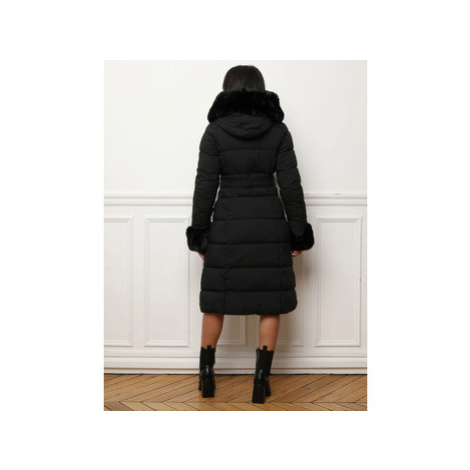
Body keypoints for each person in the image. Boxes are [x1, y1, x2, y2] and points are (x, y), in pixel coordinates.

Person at [186, 65, 315, 404]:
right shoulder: (278, 130)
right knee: (269, 303)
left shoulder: (214, 131)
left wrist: (200, 235)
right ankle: (261, 380)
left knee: (215, 301)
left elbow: (204, 187)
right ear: (260, 89)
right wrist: (297, 233)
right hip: (269, 224)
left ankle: (206, 375)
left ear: (227, 89)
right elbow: (291, 186)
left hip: (227, 224)